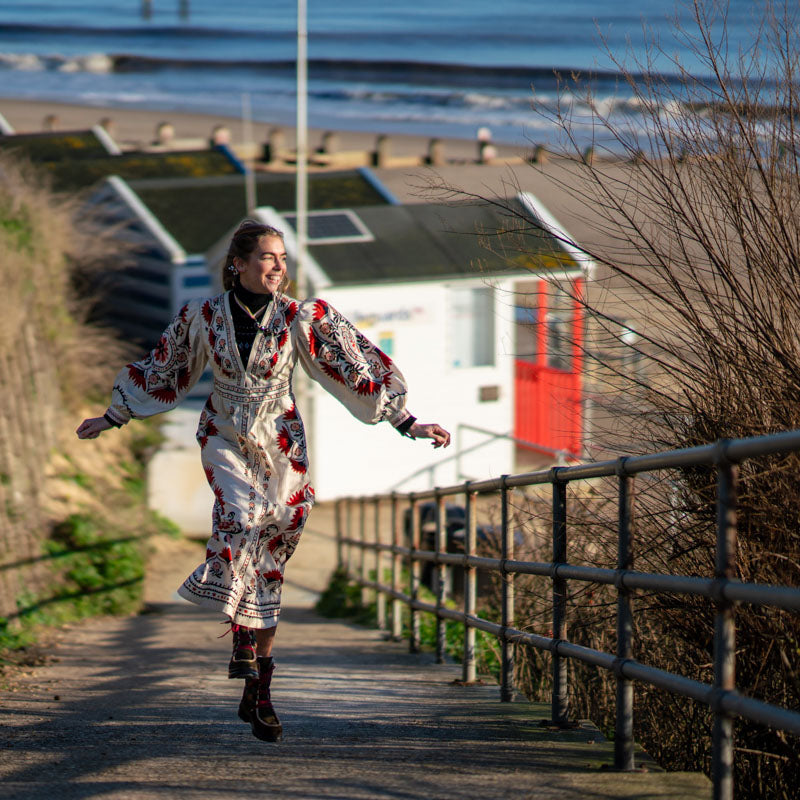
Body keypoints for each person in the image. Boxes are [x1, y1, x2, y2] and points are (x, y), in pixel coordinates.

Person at [76, 220, 451, 742]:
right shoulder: (202, 317)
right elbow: (166, 369)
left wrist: (407, 422)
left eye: (282, 258)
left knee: (274, 549)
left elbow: (354, 367)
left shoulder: (302, 316)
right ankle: (240, 646)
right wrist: (113, 417)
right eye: (268, 257)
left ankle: (259, 690)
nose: (278, 266)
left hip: (281, 442)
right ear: (239, 264)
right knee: (242, 517)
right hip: (226, 433)